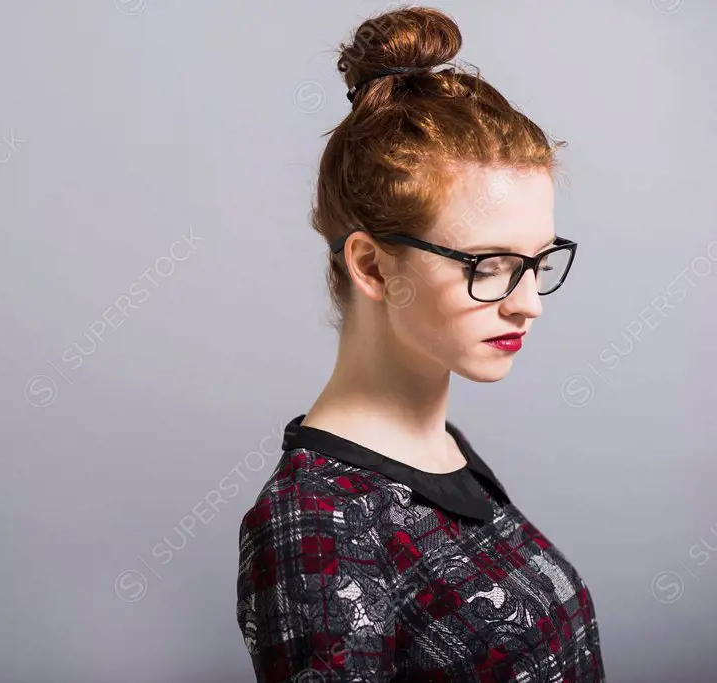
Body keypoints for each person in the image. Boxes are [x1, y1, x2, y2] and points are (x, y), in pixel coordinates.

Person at [235, 6, 605, 682]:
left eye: (539, 262)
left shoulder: (446, 447)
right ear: (372, 266)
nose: (527, 303)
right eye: (488, 265)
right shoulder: (318, 522)